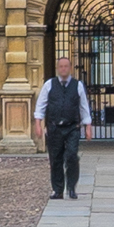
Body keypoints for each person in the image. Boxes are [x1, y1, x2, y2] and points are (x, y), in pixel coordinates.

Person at [35, 62, 90, 200]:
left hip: (72, 127)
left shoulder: (77, 85)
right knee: (55, 159)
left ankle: (71, 187)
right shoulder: (49, 85)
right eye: (61, 66)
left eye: (66, 66)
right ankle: (58, 190)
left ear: (70, 68)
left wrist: (88, 125)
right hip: (54, 127)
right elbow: (41, 104)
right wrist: (38, 123)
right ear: (57, 68)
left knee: (72, 156)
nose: (63, 69)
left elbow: (84, 106)